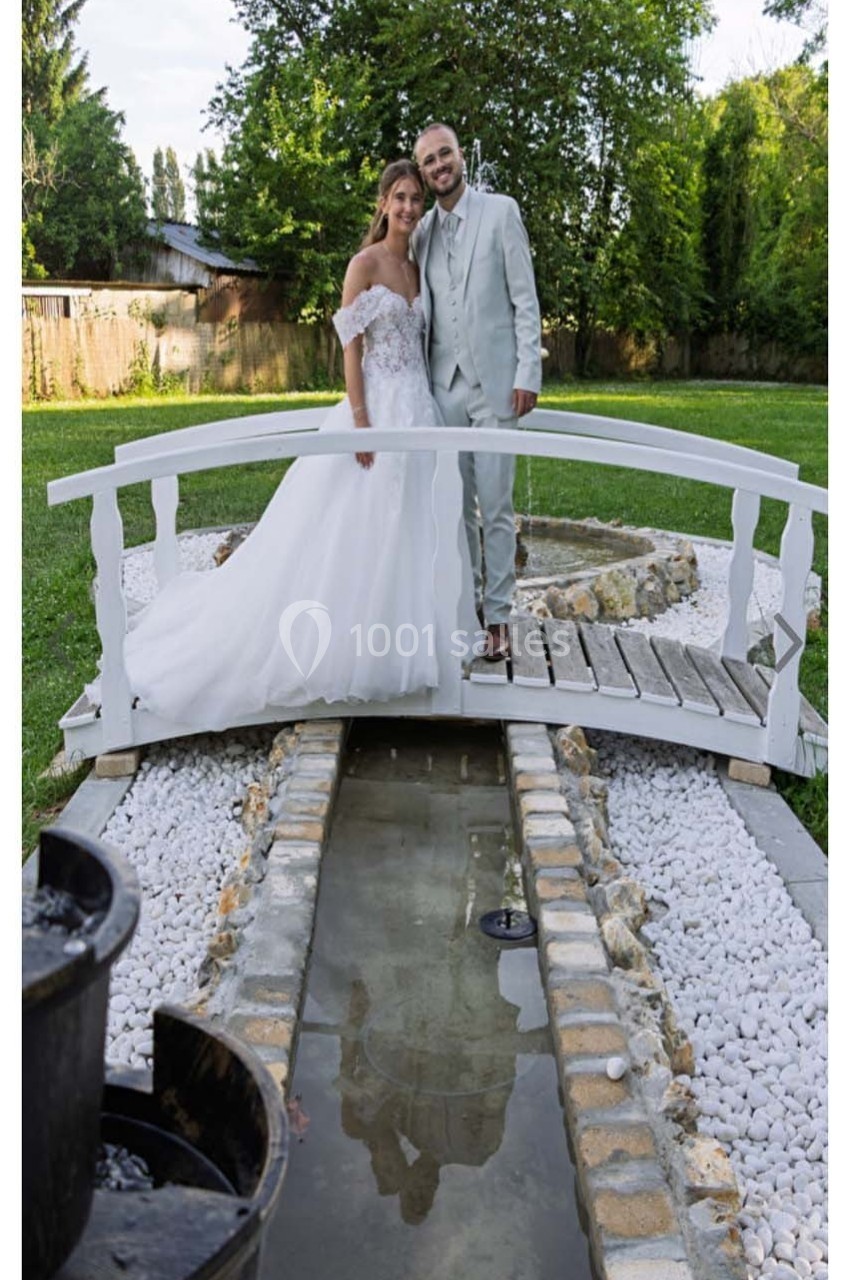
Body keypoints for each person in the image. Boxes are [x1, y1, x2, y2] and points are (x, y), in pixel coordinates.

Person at [101, 160, 454, 729]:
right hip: (377, 415)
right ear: (384, 202)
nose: (410, 208)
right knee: (356, 530)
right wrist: (363, 423)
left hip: (420, 412)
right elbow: (351, 349)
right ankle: (339, 656)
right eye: (401, 197)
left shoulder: (418, 265)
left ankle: (401, 649)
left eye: (416, 199)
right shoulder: (364, 265)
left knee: (411, 530)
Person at [413, 123, 542, 662]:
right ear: (421, 172)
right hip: (444, 388)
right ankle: (464, 610)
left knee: (496, 506)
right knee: (452, 508)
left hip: (496, 387)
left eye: (445, 154)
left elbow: (524, 299)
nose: (439, 165)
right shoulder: (419, 233)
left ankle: (500, 620)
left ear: (461, 156)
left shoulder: (501, 212)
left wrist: (527, 372)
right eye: (428, 161)